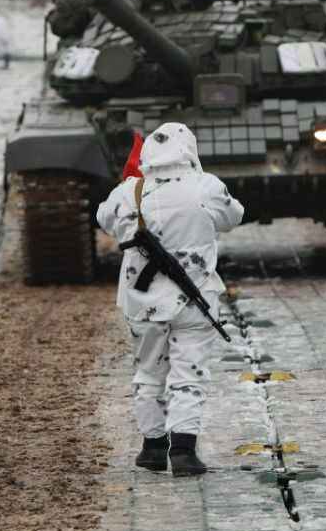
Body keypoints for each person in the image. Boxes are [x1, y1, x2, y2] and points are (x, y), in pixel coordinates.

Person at [96, 122, 244, 477]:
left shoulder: (129, 192)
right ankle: (183, 450)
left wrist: (132, 194)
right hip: (195, 300)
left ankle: (152, 447)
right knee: (189, 372)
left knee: (148, 372)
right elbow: (234, 216)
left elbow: (104, 219)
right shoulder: (206, 187)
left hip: (142, 300)